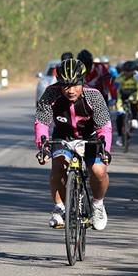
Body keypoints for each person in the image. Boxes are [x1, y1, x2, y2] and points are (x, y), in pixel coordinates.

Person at [34, 57, 112, 231]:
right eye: (65, 85)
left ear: (82, 81)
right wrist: (43, 147)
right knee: (58, 166)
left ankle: (98, 204)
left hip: (90, 137)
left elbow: (104, 127)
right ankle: (59, 208)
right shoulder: (50, 94)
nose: (70, 90)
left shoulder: (94, 95)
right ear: (59, 83)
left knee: (98, 171)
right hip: (63, 136)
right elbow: (42, 123)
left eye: (75, 85)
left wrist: (105, 149)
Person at [115, 60, 138, 143]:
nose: (127, 73)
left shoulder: (137, 76)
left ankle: (134, 119)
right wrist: (117, 102)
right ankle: (119, 136)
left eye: (129, 71)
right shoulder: (119, 77)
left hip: (133, 94)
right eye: (125, 71)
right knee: (119, 115)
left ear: (133, 71)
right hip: (122, 95)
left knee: (135, 103)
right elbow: (116, 90)